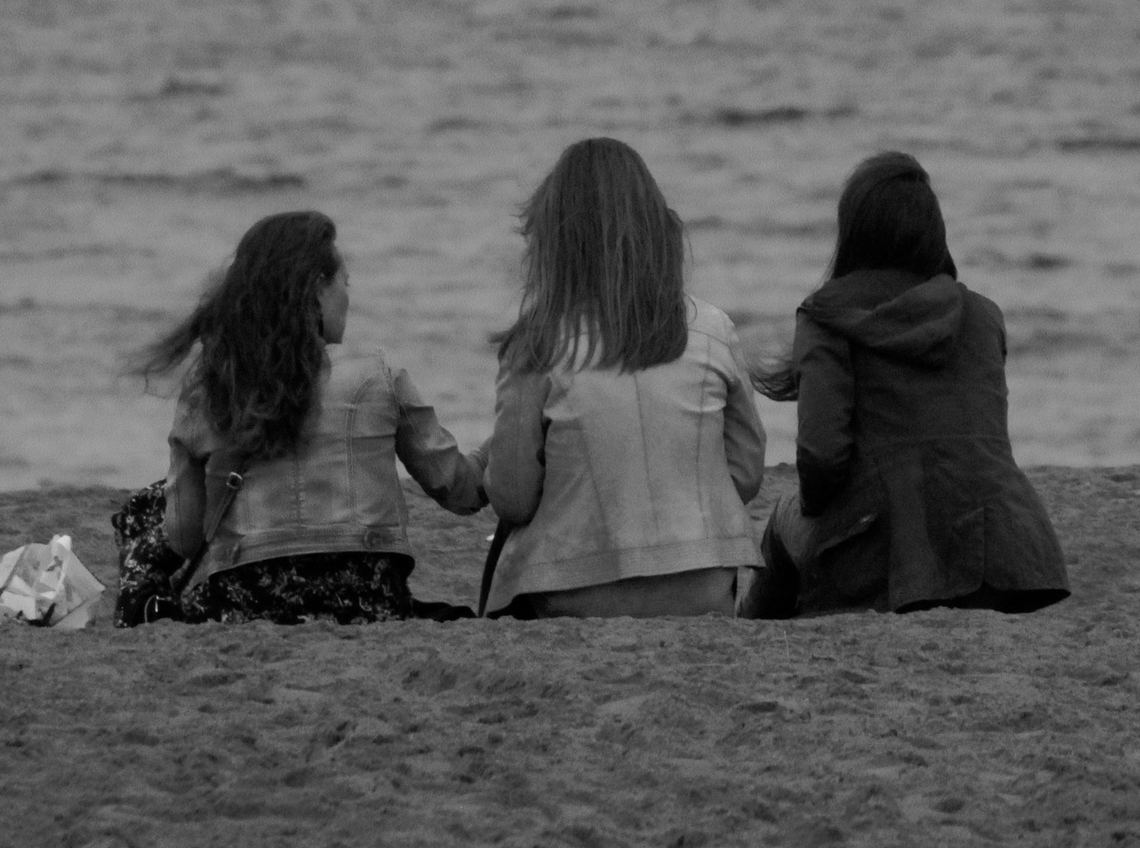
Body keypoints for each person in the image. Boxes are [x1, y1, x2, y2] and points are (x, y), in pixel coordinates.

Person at [111, 209, 486, 626]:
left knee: (147, 507)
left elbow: (183, 536)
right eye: (345, 283)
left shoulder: (212, 387)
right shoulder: (378, 376)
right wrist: (503, 446)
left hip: (248, 605)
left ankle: (140, 607)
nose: (348, 297)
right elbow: (461, 492)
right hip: (367, 601)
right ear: (317, 287)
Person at [741, 151, 1069, 618]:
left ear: (852, 233)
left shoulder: (827, 316)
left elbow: (822, 457)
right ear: (934, 233)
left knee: (784, 521)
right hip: (1005, 550)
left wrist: (822, 512)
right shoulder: (982, 316)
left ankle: (748, 636)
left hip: (891, 558)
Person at [482, 137, 766, 618]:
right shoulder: (713, 329)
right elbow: (745, 473)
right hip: (703, 590)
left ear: (555, 242)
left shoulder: (539, 344)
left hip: (577, 591)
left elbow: (512, 498)